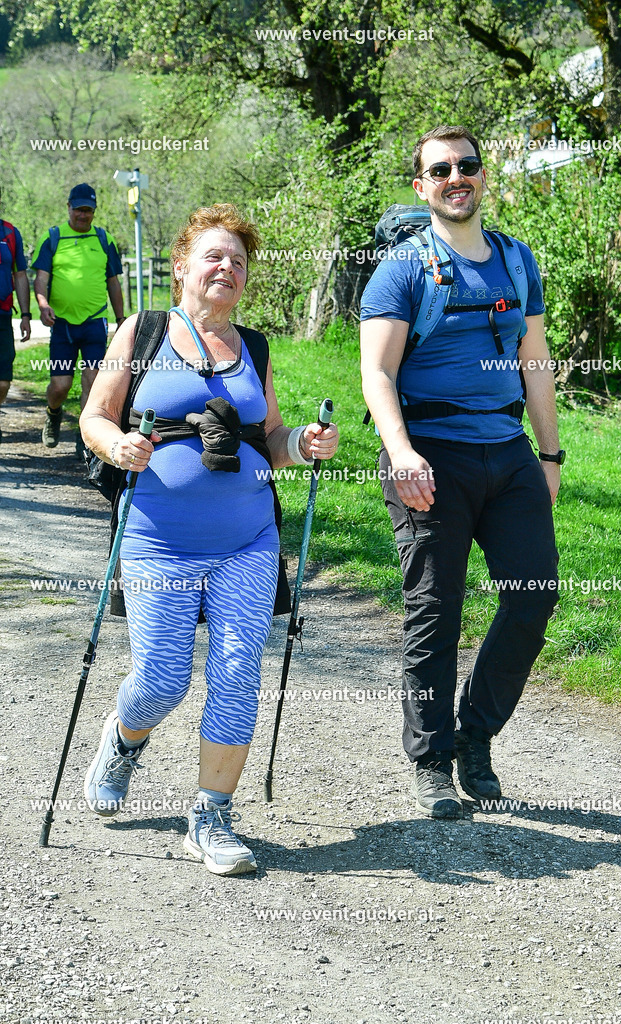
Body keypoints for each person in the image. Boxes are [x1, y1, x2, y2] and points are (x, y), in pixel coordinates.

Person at [79, 203, 338, 875]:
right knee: (161, 678)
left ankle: (210, 815)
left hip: (247, 539)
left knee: (235, 673)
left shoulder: (253, 346)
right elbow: (95, 418)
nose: (227, 268)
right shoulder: (145, 330)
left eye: (239, 261)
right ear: (182, 267)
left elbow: (272, 440)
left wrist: (302, 444)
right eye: (214, 256)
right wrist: (120, 444)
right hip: (157, 538)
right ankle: (123, 739)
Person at [360, 125, 561, 819]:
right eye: (440, 168)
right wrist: (403, 449)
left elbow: (535, 364)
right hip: (427, 452)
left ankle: (474, 735)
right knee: (434, 611)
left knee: (533, 596)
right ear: (421, 185)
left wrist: (549, 454)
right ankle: (429, 760)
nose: (456, 176)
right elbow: (376, 372)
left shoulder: (515, 259)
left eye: (467, 165)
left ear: (484, 176)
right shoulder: (402, 269)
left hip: (505, 451)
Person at [32, 183, 125, 455]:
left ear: (94, 211)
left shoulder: (104, 239)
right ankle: (54, 412)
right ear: (68, 208)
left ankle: (85, 436)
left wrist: (121, 319)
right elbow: (41, 278)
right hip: (62, 325)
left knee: (93, 379)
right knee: (60, 386)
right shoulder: (53, 237)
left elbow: (113, 282)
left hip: (95, 322)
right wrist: (43, 304)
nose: (83, 215)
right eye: (79, 210)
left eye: (88, 210)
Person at [0, 194, 31, 440]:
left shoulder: (10, 233)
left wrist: (26, 314)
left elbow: (20, 275)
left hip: (2, 316)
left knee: (3, 381)